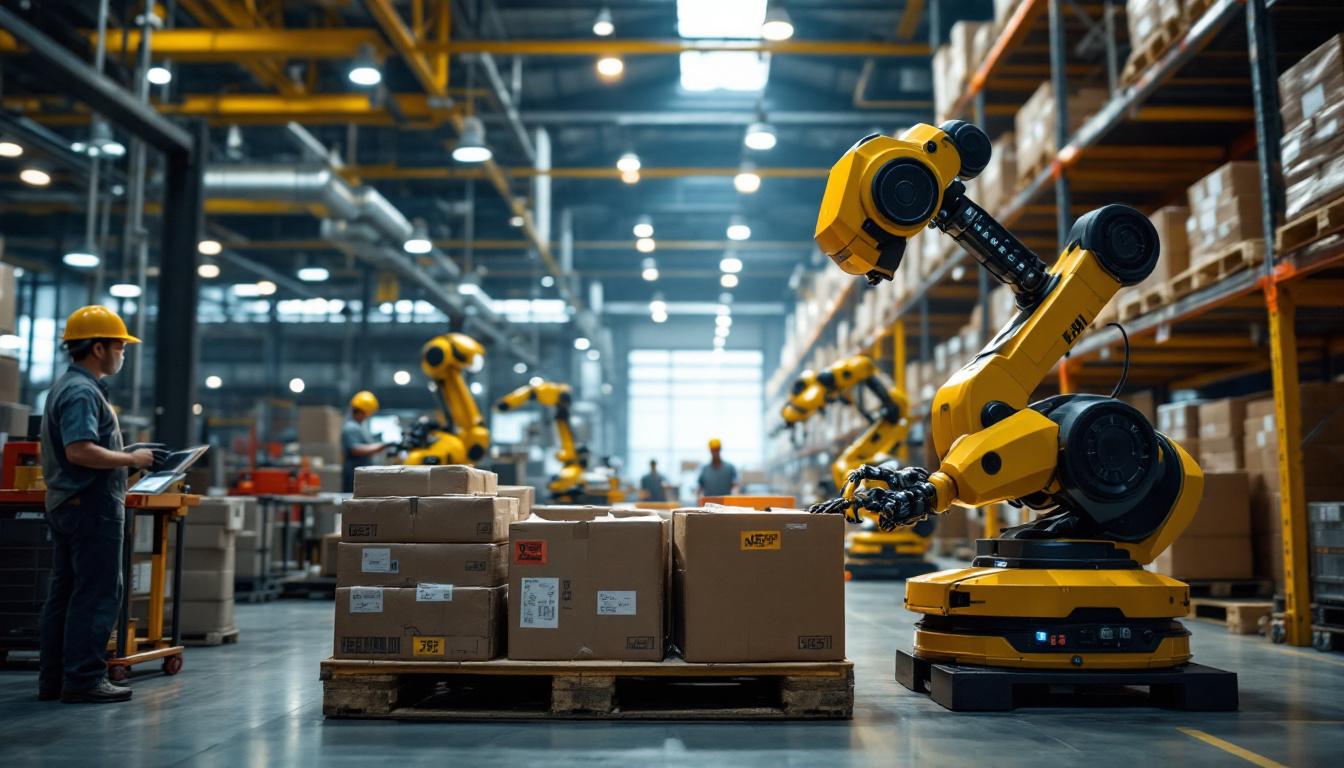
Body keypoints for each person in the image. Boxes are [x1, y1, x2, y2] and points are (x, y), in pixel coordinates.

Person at [39, 306, 159, 704]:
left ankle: (55, 679)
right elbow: (80, 451)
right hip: (89, 507)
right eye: (120, 346)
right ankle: (84, 679)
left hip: (69, 504)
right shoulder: (82, 392)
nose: (123, 353)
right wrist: (130, 458)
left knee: (66, 593)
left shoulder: (67, 387)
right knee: (96, 593)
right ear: (98, 348)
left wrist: (125, 460)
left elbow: (83, 451)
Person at [341, 391, 389, 493]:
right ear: (361, 412)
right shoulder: (351, 427)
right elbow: (355, 449)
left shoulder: (360, 426)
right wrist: (379, 446)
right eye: (367, 412)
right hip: (354, 475)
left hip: (360, 474)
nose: (368, 415)